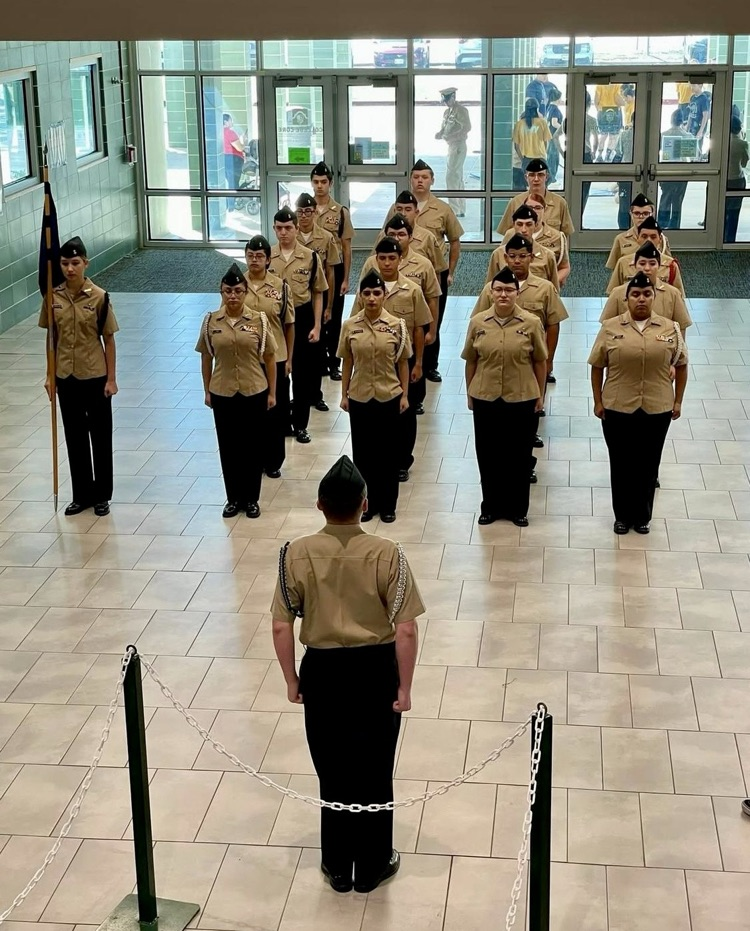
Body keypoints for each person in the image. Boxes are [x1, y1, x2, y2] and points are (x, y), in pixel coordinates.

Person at [270, 454, 425, 894]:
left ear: (320, 505)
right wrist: (404, 687)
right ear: (364, 503)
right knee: (375, 769)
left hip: (322, 670)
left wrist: (291, 681)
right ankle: (374, 863)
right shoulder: (387, 553)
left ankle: (337, 864)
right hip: (374, 670)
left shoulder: (294, 553)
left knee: (332, 769)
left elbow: (282, 625)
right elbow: (407, 628)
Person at [589, 271, 688, 535]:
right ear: (626, 299)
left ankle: (642, 516)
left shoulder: (670, 328)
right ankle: (622, 516)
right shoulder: (610, 328)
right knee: (621, 462)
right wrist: (598, 401)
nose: (641, 299)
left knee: (648, 462)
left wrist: (678, 400)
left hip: (657, 406)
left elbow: (682, 364)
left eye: (646, 294)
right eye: (635, 294)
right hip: (618, 405)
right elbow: (597, 366)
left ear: (654, 297)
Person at [39, 236, 118, 517]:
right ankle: (82, 494)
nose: (69, 269)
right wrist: (50, 376)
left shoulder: (99, 296)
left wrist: (111, 379)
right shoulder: (53, 296)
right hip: (66, 376)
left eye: (75, 263)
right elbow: (51, 337)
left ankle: (102, 496)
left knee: (100, 436)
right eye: (64, 263)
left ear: (85, 263)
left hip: (94, 375)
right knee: (74, 436)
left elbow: (108, 339)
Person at [462, 267, 548, 526]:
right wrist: (470, 393)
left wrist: (539, 395)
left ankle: (517, 508)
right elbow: (471, 360)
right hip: (486, 396)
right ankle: (490, 506)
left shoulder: (531, 323)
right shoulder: (478, 322)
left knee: (519, 455)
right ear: (490, 291)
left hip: (521, 396)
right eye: (498, 289)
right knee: (488, 454)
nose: (503, 294)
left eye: (509, 290)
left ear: (517, 293)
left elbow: (540, 362)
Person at [196, 264, 277, 519]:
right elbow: (206, 358)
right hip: (223, 391)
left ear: (245, 293)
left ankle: (251, 499)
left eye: (238, 291)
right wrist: (207, 390)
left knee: (252, 447)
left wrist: (272, 393)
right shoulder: (211, 321)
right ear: (221, 292)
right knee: (229, 446)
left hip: (254, 390)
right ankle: (233, 498)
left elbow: (270, 358)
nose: (233, 296)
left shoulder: (259, 320)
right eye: (228, 291)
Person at [352, 238, 432, 483]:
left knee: (404, 414)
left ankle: (402, 461)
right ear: (376, 259)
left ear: (400, 259)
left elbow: (419, 327)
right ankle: (377, 461)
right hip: (374, 362)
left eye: (392, 258)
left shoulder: (412, 289)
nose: (387, 263)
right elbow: (354, 326)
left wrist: (418, 362)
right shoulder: (367, 289)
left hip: (403, 362)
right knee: (375, 416)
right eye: (382, 258)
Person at [338, 272, 411, 523]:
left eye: (376, 293)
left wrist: (404, 395)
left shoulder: (397, 325)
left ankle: (388, 505)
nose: (371, 298)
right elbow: (347, 361)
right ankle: (368, 505)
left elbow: (403, 362)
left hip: (388, 395)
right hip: (359, 396)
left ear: (384, 295)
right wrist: (344, 393)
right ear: (360, 295)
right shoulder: (350, 326)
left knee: (388, 454)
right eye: (366, 293)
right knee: (364, 454)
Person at [383, 160, 463, 383]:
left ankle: (429, 365)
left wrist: (451, 271)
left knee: (431, 322)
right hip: (399, 277)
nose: (420, 181)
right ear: (411, 179)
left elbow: (455, 241)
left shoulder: (442, 209)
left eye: (424, 177)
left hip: (432, 275)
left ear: (432, 180)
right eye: (416, 177)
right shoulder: (396, 207)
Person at [475, 234, 568, 399]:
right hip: (497, 356)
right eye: (512, 256)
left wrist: (549, 358)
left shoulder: (545, 289)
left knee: (531, 401)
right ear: (505, 258)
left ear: (531, 258)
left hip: (531, 356)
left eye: (522, 256)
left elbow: (553, 324)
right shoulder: (491, 289)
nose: (517, 261)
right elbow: (477, 323)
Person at [268, 207, 328, 444]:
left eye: (288, 228)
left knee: (302, 376)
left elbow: (318, 291)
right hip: (275, 318)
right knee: (280, 373)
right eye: (279, 228)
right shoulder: (267, 256)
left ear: (296, 228)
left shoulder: (309, 256)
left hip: (302, 318)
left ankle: (301, 424)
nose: (283, 233)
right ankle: (282, 422)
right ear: (274, 229)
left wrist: (317, 325)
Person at [243, 235, 294, 479]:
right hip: (247, 360)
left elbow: (289, 324)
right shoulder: (237, 285)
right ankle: (253, 457)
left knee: (275, 411)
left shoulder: (280, 286)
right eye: (250, 255)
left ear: (268, 259)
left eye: (259, 256)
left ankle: (273, 460)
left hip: (276, 357)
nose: (254, 260)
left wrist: (290, 358)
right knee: (251, 413)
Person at [295, 192, 342, 413]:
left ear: (315, 212)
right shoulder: (289, 237)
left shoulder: (325, 238)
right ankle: (299, 397)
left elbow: (330, 274)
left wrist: (329, 307)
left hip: (317, 301)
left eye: (308, 211)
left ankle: (316, 394)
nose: (304, 216)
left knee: (315, 353)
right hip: (296, 303)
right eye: (300, 212)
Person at [364, 215, 439, 346]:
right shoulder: (372, 263)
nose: (396, 238)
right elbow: (362, 296)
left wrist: (432, 331)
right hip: (374, 336)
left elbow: (432, 299)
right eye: (391, 234)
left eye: (401, 234)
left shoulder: (424, 264)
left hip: (407, 335)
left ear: (410, 237)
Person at [311, 162, 355, 382]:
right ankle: (318, 362)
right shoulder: (304, 212)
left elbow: (346, 248)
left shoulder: (340, 212)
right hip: (310, 270)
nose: (320, 186)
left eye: (324, 182)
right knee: (314, 316)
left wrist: (346, 278)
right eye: (316, 182)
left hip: (333, 269)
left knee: (334, 318)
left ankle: (333, 363)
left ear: (331, 183)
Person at [601, 242, 692, 334]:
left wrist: (679, 347)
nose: (647, 268)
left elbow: (681, 327)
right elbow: (607, 326)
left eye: (652, 264)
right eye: (642, 263)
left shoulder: (673, 294)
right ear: (635, 265)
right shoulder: (618, 293)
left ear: (659, 266)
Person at [497, 158, 575, 237]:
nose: (536, 179)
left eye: (540, 175)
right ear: (526, 177)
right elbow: (506, 233)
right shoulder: (516, 202)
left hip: (550, 248)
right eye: (532, 175)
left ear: (546, 177)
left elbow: (565, 236)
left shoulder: (559, 203)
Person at [607, 220, 685, 296]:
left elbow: (679, 297)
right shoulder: (623, 263)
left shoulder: (671, 265)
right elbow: (613, 295)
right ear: (638, 239)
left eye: (653, 237)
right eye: (644, 236)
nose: (648, 240)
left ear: (660, 240)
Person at [492, 205, 559, 289]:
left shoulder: (548, 256)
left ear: (536, 225)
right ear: (513, 225)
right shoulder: (498, 254)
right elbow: (490, 289)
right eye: (519, 224)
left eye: (529, 224)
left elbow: (554, 291)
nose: (523, 230)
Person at [606, 194, 671, 269]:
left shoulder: (661, 239)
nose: (641, 217)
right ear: (631, 214)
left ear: (652, 215)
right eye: (637, 213)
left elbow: (668, 265)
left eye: (646, 213)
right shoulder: (621, 239)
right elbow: (614, 268)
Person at [435, 87, 471, 216]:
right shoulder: (447, 112)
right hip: (451, 146)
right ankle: (460, 209)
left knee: (451, 177)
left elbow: (467, 127)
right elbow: (444, 127)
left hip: (458, 146)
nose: (446, 103)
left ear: (453, 97)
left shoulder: (461, 110)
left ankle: (454, 210)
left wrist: (452, 136)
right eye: (444, 101)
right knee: (457, 178)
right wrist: (440, 133)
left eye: (447, 100)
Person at [524, 193, 571, 287]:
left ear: (544, 209)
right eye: (529, 207)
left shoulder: (557, 237)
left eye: (538, 208)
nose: (533, 211)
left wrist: (550, 284)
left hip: (544, 290)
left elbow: (565, 267)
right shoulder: (512, 234)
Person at [657, 112, 693, 230]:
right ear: (682, 121)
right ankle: (675, 226)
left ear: (671, 120)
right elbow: (694, 157)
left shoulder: (663, 135)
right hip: (683, 172)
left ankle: (662, 223)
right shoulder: (688, 136)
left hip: (666, 171)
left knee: (665, 197)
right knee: (678, 201)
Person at [512, 98, 553, 173]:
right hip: (540, 158)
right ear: (537, 108)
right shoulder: (542, 123)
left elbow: (516, 146)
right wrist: (544, 153)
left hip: (526, 159)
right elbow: (546, 142)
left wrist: (522, 159)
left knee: (529, 182)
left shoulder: (519, 124)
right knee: (541, 182)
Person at [725, 116, 749, 243]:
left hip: (724, 180)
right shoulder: (742, 143)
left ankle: (720, 238)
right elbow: (744, 163)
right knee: (734, 212)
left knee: (722, 211)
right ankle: (729, 241)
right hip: (737, 180)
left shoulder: (721, 142)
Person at [593, 82, 624, 162]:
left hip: (602, 111)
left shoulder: (600, 85)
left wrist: (599, 111)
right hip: (615, 111)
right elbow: (618, 100)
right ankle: (608, 155)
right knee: (613, 136)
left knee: (603, 135)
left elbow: (596, 100)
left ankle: (599, 156)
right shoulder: (617, 84)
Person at [222, 114, 245, 212]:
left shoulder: (219, 132)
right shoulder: (230, 132)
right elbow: (239, 147)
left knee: (228, 182)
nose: (232, 122)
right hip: (233, 159)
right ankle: (231, 205)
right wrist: (243, 141)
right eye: (231, 120)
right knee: (233, 182)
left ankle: (228, 204)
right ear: (225, 122)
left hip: (223, 158)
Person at [545, 86, 564, 185]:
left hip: (550, 136)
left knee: (551, 157)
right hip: (553, 136)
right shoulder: (555, 109)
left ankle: (550, 177)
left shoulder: (549, 108)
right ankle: (551, 178)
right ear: (557, 98)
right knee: (553, 157)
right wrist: (564, 128)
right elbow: (554, 123)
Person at [687, 83, 711, 154]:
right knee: (690, 149)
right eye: (691, 85)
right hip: (692, 128)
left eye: (694, 85)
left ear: (700, 85)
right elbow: (690, 114)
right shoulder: (692, 98)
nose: (692, 87)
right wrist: (687, 127)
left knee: (698, 148)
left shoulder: (704, 99)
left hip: (699, 127)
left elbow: (705, 116)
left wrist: (701, 131)